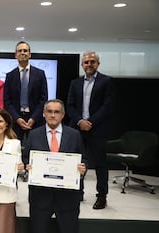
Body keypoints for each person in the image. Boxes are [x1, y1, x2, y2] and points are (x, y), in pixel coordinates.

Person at [24, 99, 87, 233]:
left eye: (57, 112)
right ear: (43, 113)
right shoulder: (34, 134)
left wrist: (83, 169)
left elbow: (84, 158)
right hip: (40, 196)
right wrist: (27, 166)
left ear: (62, 115)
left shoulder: (74, 135)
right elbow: (25, 158)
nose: (53, 115)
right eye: (49, 111)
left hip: (67, 197)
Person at [66, 51, 114, 210]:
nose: (89, 64)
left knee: (100, 164)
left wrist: (90, 122)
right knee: (76, 162)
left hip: (97, 129)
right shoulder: (75, 83)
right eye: (86, 62)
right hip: (77, 129)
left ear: (98, 64)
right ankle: (77, 191)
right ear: (82, 65)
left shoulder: (106, 81)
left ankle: (101, 196)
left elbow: (107, 106)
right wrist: (80, 121)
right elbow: (70, 106)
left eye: (92, 62)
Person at [3, 41, 48, 145]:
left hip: (35, 120)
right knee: (14, 149)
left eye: (25, 50)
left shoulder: (40, 74)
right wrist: (17, 118)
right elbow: (7, 100)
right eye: (19, 51)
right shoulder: (10, 76)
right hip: (15, 120)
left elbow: (43, 99)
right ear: (15, 55)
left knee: (36, 148)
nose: (22, 53)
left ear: (30, 54)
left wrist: (33, 118)